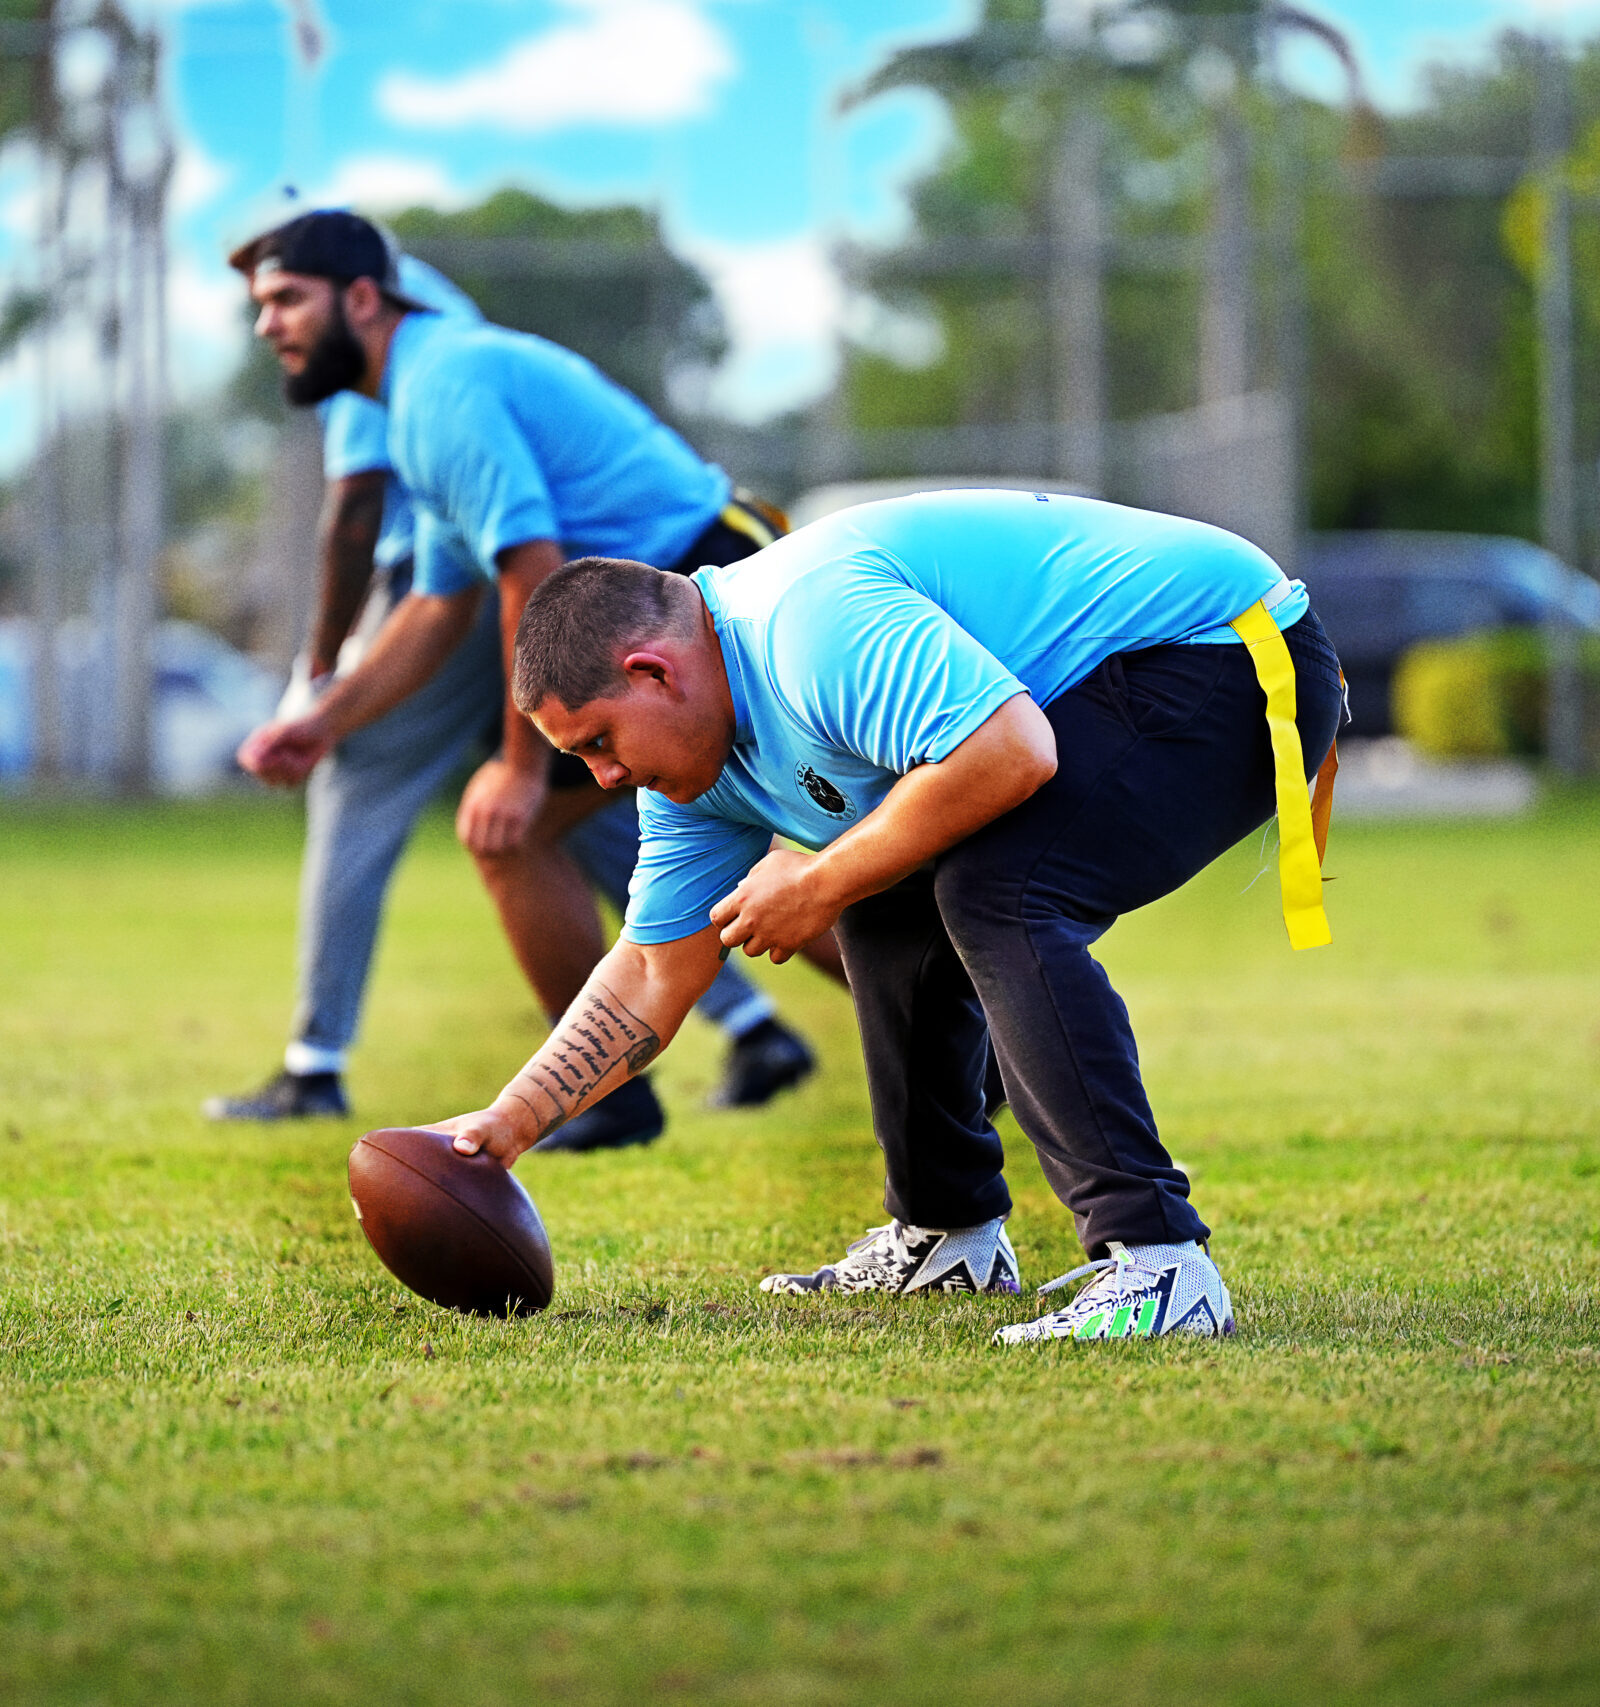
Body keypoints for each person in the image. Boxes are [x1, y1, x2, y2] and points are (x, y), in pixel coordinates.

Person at [434, 488, 1345, 1344]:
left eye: (598, 741)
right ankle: (948, 1235)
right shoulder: (691, 772)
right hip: (1115, 682)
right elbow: (653, 969)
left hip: (1229, 650)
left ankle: (1159, 1267)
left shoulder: (804, 629)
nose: (601, 778)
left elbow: (1011, 750)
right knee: (883, 891)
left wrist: (821, 880)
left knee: (1000, 891)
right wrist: (507, 1123)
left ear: (652, 671)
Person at [222, 209, 827, 1147]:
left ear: (362, 298)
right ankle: (946, 1041)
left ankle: (617, 1095)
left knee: (524, 832)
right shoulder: (417, 396)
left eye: (286, 300)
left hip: (716, 586)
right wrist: (325, 719)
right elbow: (436, 608)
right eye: (261, 306)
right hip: (671, 613)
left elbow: (529, 570)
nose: (268, 325)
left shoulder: (442, 391)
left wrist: (516, 761)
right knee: (729, 848)